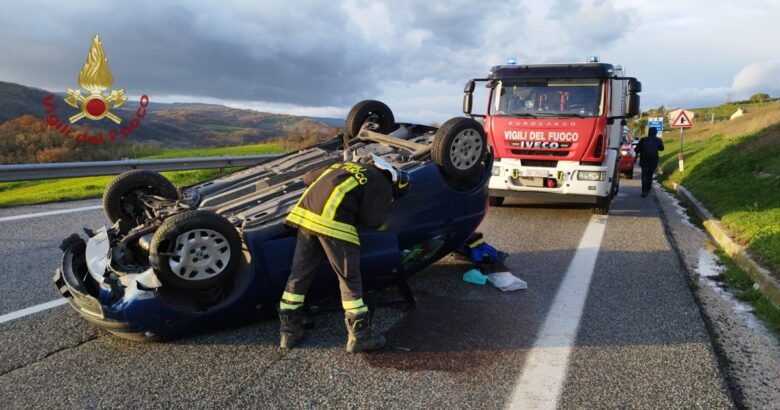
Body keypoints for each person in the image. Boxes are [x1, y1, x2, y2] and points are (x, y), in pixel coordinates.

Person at [279, 154, 409, 352]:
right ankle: (361, 337)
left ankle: (289, 332)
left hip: (305, 218)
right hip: (335, 226)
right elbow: (373, 221)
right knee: (350, 280)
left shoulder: (345, 165)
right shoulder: (382, 183)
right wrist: (385, 218)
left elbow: (308, 178)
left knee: (299, 275)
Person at [634, 127, 665, 197]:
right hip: (653, 160)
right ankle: (648, 189)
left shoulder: (643, 140)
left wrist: (640, 150)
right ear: (655, 133)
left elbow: (636, 149)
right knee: (650, 175)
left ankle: (644, 191)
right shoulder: (658, 140)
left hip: (644, 160)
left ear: (648, 132)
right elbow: (662, 149)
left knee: (644, 175)